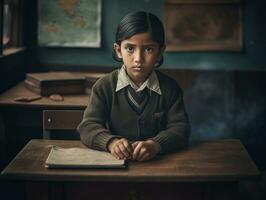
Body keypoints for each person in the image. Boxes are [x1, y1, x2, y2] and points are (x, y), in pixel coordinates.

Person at [77, 11, 190, 161]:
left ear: (160, 52)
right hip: (115, 166)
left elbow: (180, 129)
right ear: (118, 51)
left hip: (159, 167)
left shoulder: (170, 88)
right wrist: (111, 142)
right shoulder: (104, 86)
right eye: (130, 48)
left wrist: (155, 144)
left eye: (148, 49)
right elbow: (88, 126)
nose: (138, 59)